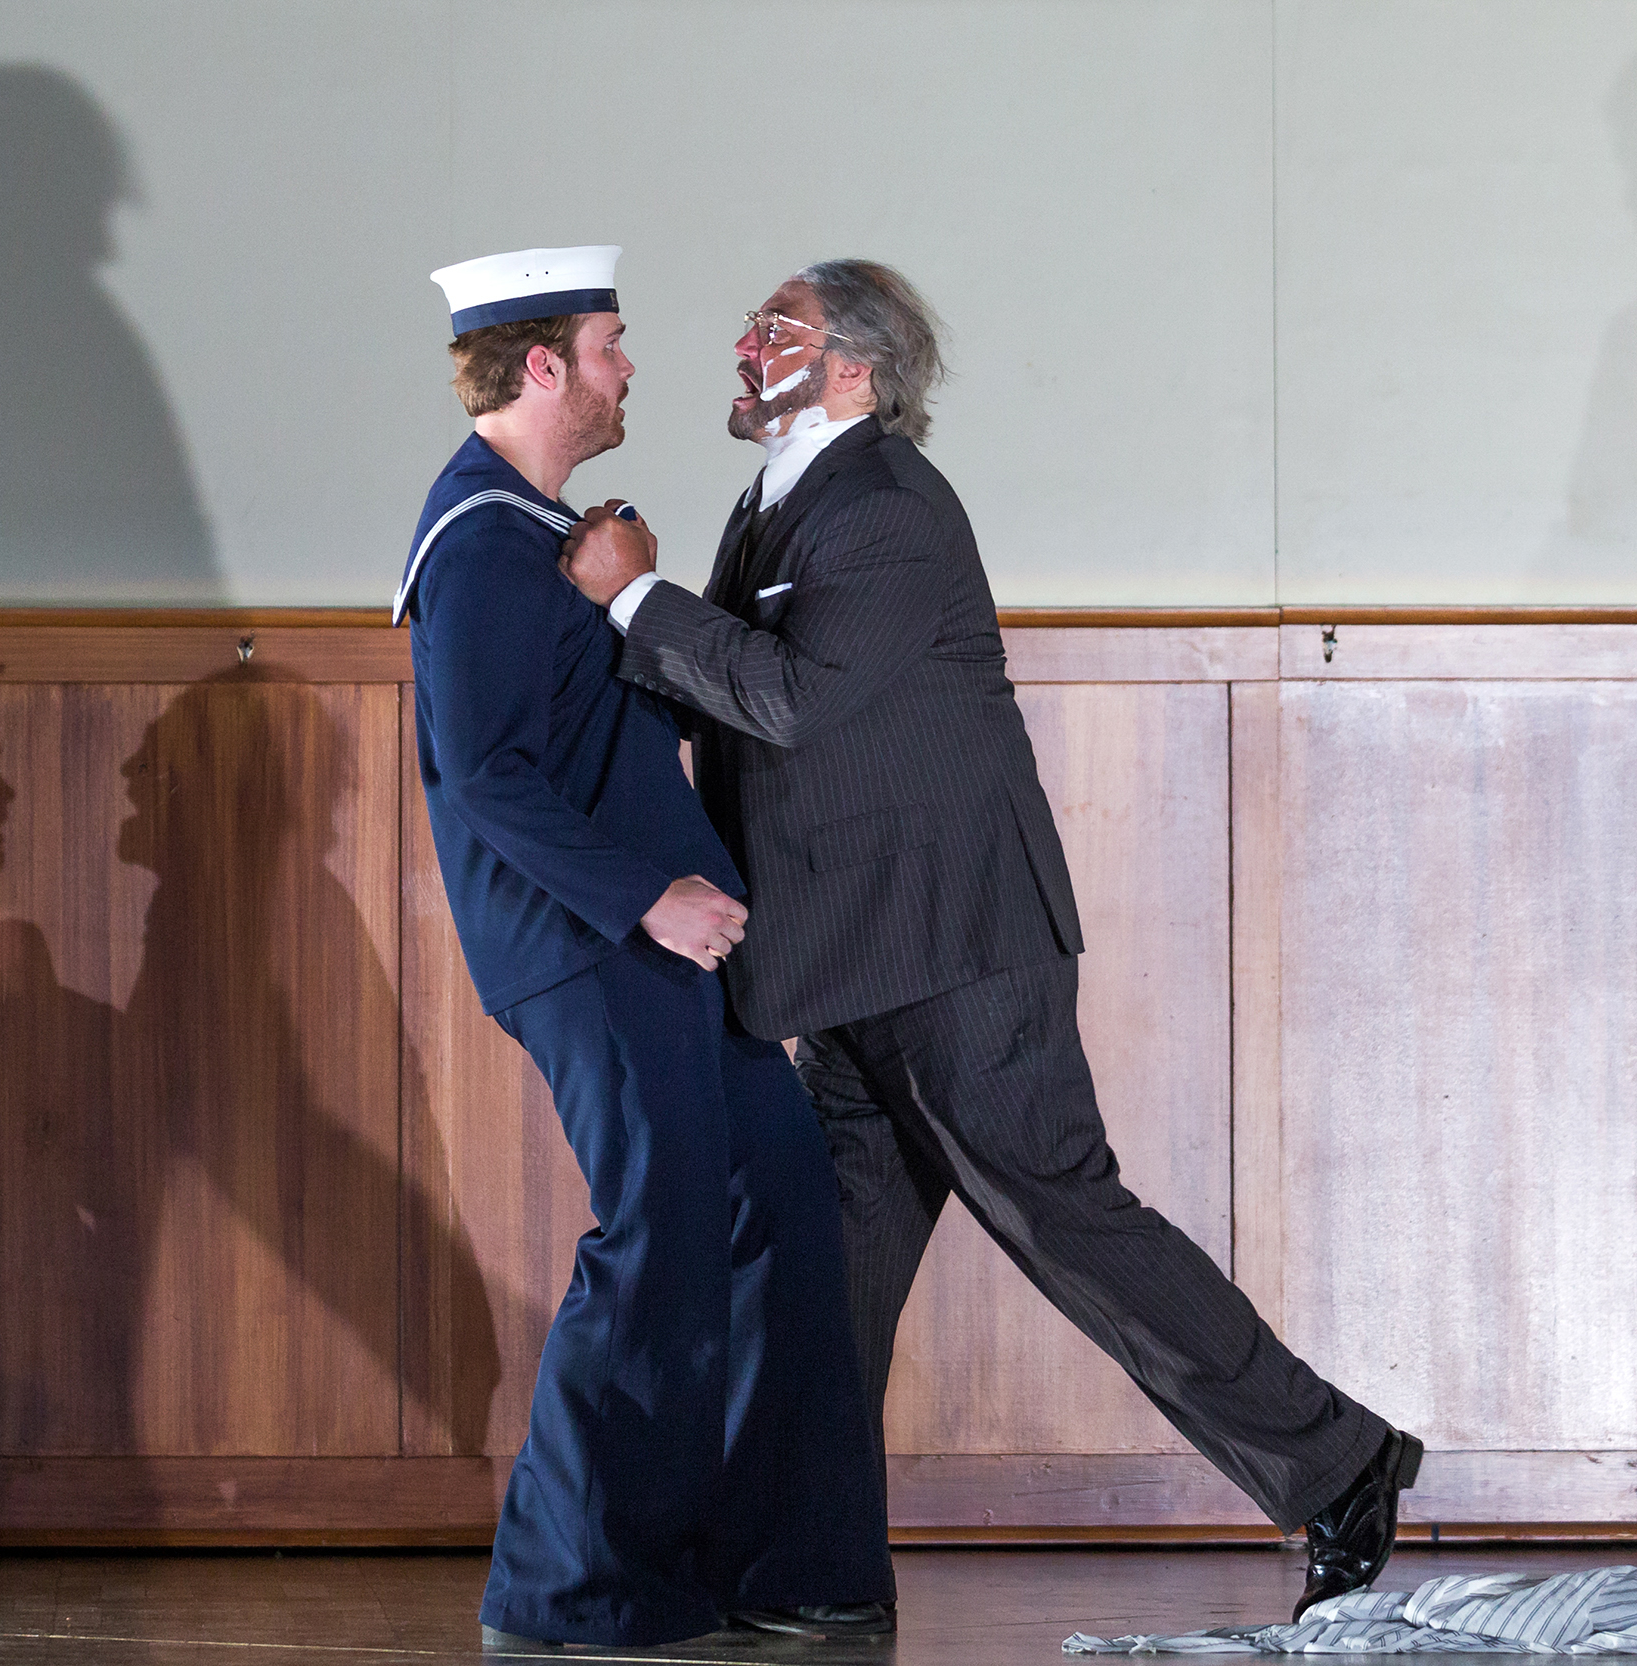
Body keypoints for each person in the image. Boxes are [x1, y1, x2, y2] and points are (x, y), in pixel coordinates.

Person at [557, 258, 1422, 1621]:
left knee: (1064, 1217)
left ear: (855, 363)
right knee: (824, 1279)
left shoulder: (891, 507)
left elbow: (793, 701)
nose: (740, 344)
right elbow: (731, 712)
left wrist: (635, 600)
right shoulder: (768, 502)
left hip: (956, 947)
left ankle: (1344, 1464)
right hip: (840, 960)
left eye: (772, 328)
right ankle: (813, 1568)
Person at [398, 246, 892, 1652]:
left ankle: (785, 1565)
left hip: (663, 945)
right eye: (612, 345)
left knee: (783, 1198)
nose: (630, 370)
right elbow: (485, 774)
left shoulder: (536, 524)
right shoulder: (480, 540)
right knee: (659, 1239)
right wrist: (646, 900)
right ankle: (569, 1594)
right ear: (545, 365)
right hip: (591, 946)